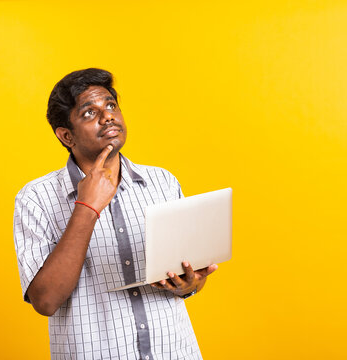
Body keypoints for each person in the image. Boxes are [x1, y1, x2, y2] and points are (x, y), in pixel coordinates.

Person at [13, 68, 218, 359]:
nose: (107, 116)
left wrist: (190, 284)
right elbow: (45, 301)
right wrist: (87, 207)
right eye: (89, 112)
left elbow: (190, 273)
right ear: (66, 135)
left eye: (111, 105)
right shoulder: (36, 198)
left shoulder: (163, 182)